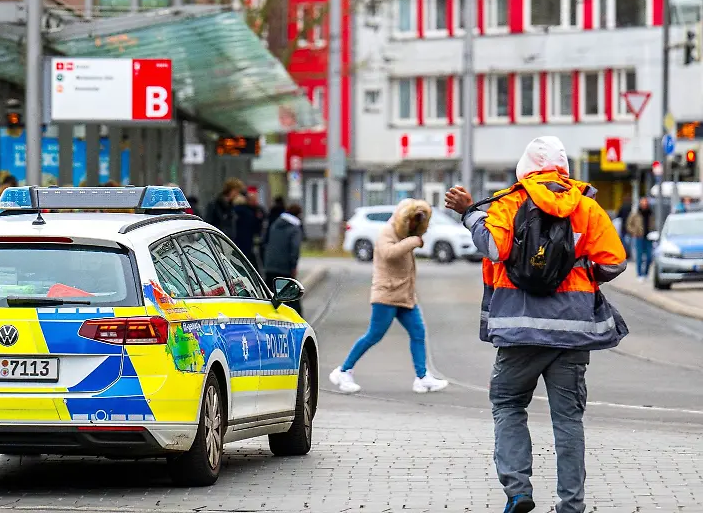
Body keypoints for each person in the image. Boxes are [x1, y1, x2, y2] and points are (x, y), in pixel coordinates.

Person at [444, 136, 627, 513]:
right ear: (564, 169)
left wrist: (469, 213)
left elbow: (494, 248)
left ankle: (518, 491)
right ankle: (571, 504)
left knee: (508, 403)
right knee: (568, 419)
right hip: (573, 332)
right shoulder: (586, 207)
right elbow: (614, 262)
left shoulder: (509, 202)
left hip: (519, 329)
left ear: (525, 168)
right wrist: (581, 273)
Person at [329, 198, 449, 396]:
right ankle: (343, 371)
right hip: (386, 295)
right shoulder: (388, 232)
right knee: (374, 335)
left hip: (405, 296)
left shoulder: (406, 233)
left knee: (418, 332)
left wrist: (412, 238)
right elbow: (388, 253)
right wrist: (412, 242)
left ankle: (422, 377)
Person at [262, 203, 304, 315]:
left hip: (270, 265)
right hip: (285, 267)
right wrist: (293, 266)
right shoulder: (294, 229)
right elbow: (295, 249)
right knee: (291, 297)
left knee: (271, 297)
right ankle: (297, 320)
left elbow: (266, 242)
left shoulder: (274, 225)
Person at [624, 196, 654, 281]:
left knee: (649, 257)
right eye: (643, 202)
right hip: (639, 237)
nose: (644, 204)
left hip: (649, 237)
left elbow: (653, 224)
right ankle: (640, 274)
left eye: (646, 202)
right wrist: (634, 232)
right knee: (639, 257)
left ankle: (646, 273)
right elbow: (628, 225)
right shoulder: (635, 214)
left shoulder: (650, 213)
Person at [232, 194, 263, 268]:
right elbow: (254, 226)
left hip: (238, 239)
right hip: (246, 240)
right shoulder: (249, 212)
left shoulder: (235, 211)